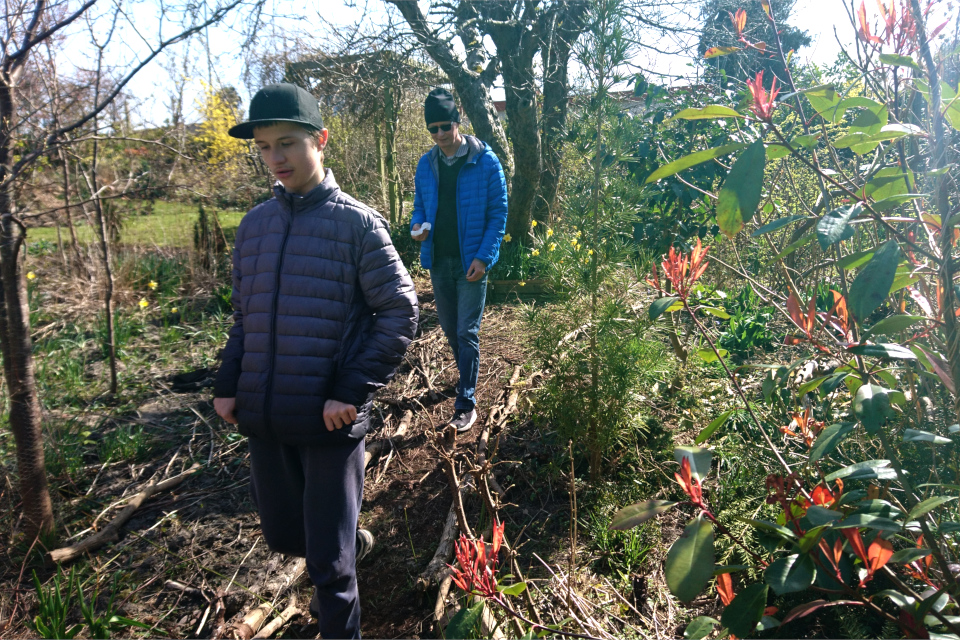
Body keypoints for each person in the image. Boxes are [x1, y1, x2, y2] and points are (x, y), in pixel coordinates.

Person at [212, 83, 419, 639]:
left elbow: (399, 312)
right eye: (263, 147)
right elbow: (244, 317)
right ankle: (351, 537)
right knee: (288, 537)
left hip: (330, 421)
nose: (275, 158)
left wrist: (351, 391)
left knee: (329, 567)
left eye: (287, 143)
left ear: (320, 141)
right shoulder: (254, 227)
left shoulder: (358, 224)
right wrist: (229, 382)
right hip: (267, 419)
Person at [410, 88, 508, 433]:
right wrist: (417, 227)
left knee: (467, 331)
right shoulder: (426, 164)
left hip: (471, 262)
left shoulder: (485, 160)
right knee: (452, 330)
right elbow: (420, 206)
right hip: (439, 260)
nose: (439, 135)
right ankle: (467, 375)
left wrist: (484, 257)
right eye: (432, 128)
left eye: (444, 126)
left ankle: (466, 402)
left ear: (458, 121)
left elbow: (499, 213)